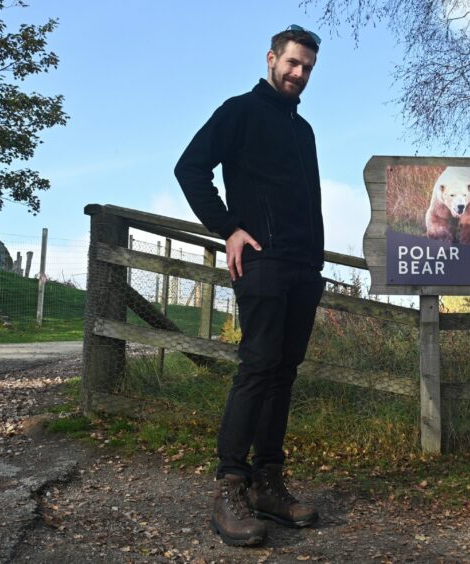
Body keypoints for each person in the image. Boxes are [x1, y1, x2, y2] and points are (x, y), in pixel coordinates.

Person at [174, 25, 325, 547]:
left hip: (304, 268)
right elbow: (190, 168)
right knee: (258, 366)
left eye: (307, 67)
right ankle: (230, 487)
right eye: (292, 63)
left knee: (284, 373)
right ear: (271, 59)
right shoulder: (239, 110)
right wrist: (228, 228)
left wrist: (315, 261)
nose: (299, 74)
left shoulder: (302, 131)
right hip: (261, 262)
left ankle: (268, 483)